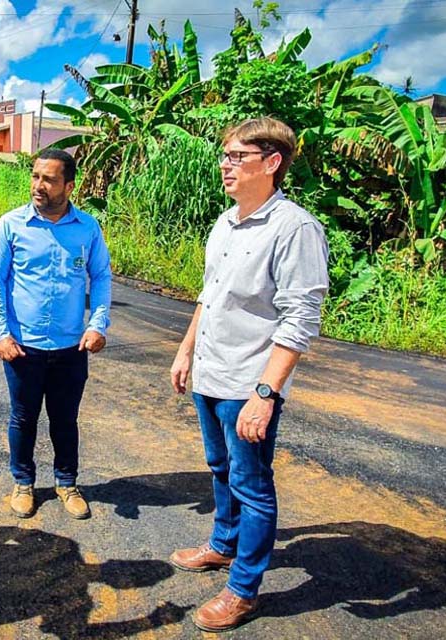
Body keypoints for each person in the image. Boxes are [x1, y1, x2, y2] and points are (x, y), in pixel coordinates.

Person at [168, 117, 329, 632]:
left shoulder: (295, 229)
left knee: (252, 484)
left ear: (272, 162)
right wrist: (186, 351)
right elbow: (209, 294)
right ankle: (222, 544)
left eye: (238, 156)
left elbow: (300, 318)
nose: (226, 165)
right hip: (211, 373)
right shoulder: (226, 221)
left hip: (248, 382)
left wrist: (266, 393)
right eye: (225, 155)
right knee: (219, 467)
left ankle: (243, 590)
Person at [0, 148, 112, 520]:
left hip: (71, 347)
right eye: (35, 176)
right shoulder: (11, 226)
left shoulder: (87, 228)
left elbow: (101, 276)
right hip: (23, 347)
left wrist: (97, 324)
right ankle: (23, 483)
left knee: (65, 419)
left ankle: (67, 483)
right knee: (23, 418)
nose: (38, 185)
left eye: (49, 179)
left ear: (69, 186)